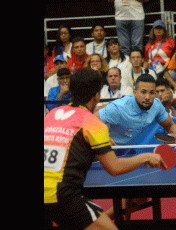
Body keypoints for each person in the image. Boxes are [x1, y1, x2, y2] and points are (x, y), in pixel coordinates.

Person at [45, 67, 166, 230]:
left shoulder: (52, 114)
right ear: (96, 96)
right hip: (63, 194)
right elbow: (114, 168)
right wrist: (146, 157)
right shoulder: (93, 124)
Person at [94, 73, 176, 219]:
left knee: (140, 199)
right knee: (126, 197)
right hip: (109, 153)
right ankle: (100, 223)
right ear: (135, 92)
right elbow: (92, 119)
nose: (147, 97)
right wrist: (104, 137)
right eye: (143, 92)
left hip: (128, 151)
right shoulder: (119, 107)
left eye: (152, 92)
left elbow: (171, 125)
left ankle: (101, 221)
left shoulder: (156, 106)